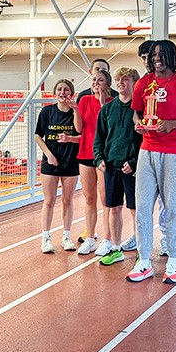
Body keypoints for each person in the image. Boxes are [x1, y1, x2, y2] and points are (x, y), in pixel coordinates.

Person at [126, 39, 176, 284]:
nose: (156, 58)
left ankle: (174, 263)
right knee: (143, 207)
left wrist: (172, 125)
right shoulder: (143, 84)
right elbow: (136, 111)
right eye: (153, 55)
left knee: (173, 208)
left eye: (161, 54)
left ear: (170, 56)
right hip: (147, 150)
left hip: (174, 151)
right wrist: (137, 123)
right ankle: (144, 261)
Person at [93, 67, 142, 266]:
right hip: (111, 167)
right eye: (118, 79)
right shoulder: (107, 109)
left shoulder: (140, 109)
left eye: (126, 79)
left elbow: (144, 141)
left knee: (135, 209)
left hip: (131, 168)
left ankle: (141, 251)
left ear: (134, 83)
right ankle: (115, 248)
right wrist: (99, 159)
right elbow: (99, 139)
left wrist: (134, 162)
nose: (121, 82)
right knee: (113, 208)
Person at [71, 61, 114, 255]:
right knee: (89, 198)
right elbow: (79, 128)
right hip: (86, 153)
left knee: (106, 199)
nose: (96, 83)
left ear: (108, 83)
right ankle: (90, 238)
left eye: (101, 80)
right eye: (94, 80)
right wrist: (75, 111)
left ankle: (108, 239)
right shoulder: (85, 100)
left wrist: (103, 103)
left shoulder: (113, 102)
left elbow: (109, 128)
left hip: (104, 155)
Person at [34, 79, 81, 253]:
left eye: (67, 90)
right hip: (51, 161)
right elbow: (38, 135)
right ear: (55, 93)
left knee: (68, 200)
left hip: (70, 161)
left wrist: (76, 110)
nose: (63, 93)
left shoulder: (76, 112)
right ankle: (45, 238)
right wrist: (48, 154)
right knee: (49, 200)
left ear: (72, 93)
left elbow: (79, 130)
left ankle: (66, 236)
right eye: (60, 89)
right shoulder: (47, 112)